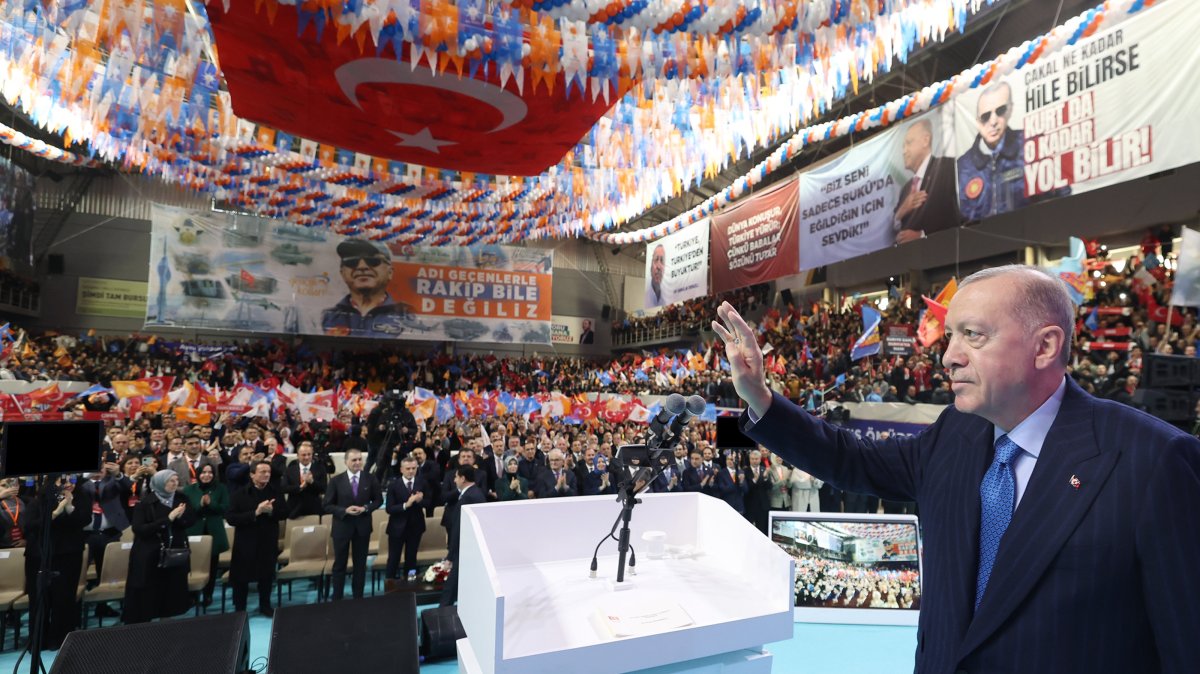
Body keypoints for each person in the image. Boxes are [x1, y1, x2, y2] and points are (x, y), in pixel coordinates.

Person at [712, 265, 1200, 673]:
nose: (949, 356)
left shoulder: (1152, 462)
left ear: (1045, 346)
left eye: (974, 335)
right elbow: (848, 457)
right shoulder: (954, 433)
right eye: (950, 336)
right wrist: (760, 396)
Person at [23, 476, 92, 650]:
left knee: (64, 599)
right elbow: (29, 526)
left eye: (72, 480)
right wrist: (55, 513)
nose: (68, 484)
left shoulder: (81, 498)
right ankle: (38, 640)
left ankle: (60, 639)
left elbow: (84, 520)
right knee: (39, 599)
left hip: (69, 555)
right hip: (39, 556)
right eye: (62, 480)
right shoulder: (37, 502)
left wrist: (68, 506)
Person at [123, 469, 196, 624]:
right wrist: (168, 519)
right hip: (149, 555)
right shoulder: (145, 503)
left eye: (176, 480)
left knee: (171, 592)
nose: (175, 483)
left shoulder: (182, 499)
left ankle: (166, 623)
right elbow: (140, 529)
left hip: (174, 553)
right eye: (171, 480)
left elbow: (191, 521)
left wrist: (181, 518)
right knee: (148, 594)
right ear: (160, 483)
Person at [956, 82, 1028, 221]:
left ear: (1010, 110)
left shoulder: (1029, 144)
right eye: (985, 116)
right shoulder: (962, 166)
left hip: (1031, 236)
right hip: (980, 240)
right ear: (977, 121)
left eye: (1000, 111)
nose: (993, 121)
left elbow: (1058, 195)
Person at [226, 461, 286, 616]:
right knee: (241, 578)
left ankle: (265, 605)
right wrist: (256, 513)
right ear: (252, 475)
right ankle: (240, 609)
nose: (266, 474)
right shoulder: (239, 494)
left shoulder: (275, 491)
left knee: (266, 576)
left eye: (268, 472)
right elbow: (231, 518)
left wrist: (272, 511)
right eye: (262, 472)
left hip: (268, 540)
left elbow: (285, 513)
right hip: (246, 542)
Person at [323, 449, 383, 600]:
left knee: (360, 564)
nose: (357, 463)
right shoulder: (336, 481)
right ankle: (337, 597)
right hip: (342, 527)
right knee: (339, 564)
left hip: (362, 527)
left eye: (359, 459)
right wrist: (344, 510)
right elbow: (327, 505)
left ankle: (358, 597)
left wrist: (366, 508)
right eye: (353, 460)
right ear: (345, 462)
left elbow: (378, 500)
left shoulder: (370, 479)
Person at [321, 239, 411, 338]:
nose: (362, 266)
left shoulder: (407, 316)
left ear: (390, 272)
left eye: (372, 260)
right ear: (342, 273)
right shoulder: (327, 317)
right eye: (352, 261)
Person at [893, 118, 961, 243]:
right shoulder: (906, 189)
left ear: (925, 140)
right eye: (903, 146)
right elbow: (892, 229)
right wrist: (901, 211)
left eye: (909, 143)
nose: (904, 151)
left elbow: (958, 214)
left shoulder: (948, 168)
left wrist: (922, 235)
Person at [438, 465, 486, 607]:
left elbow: (459, 529)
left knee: (451, 587)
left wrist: (450, 557)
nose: (454, 480)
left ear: (463, 478)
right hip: (470, 548)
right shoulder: (475, 493)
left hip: (465, 549)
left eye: (456, 477)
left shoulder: (468, 497)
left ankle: (441, 615)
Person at [183, 463, 229, 606]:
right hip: (194, 531)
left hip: (214, 531)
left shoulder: (221, 488)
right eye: (203, 472)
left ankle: (208, 595)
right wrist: (200, 505)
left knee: (212, 565)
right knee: (192, 565)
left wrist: (211, 504)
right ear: (198, 474)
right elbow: (187, 512)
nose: (207, 475)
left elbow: (225, 508)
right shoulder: (188, 490)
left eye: (210, 472)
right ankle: (192, 595)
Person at [385, 456, 426, 581]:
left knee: (411, 557)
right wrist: (406, 505)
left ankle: (410, 585)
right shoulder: (393, 485)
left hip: (416, 526)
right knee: (394, 558)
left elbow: (430, 502)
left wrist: (420, 501)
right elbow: (389, 508)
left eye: (413, 468)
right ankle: (390, 585)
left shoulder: (422, 482)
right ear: (401, 469)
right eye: (408, 468)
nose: (411, 471)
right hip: (397, 528)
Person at [280, 441, 327, 518]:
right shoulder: (290, 469)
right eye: (303, 455)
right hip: (294, 508)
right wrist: (300, 487)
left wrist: (312, 482)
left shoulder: (320, 468)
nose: (307, 457)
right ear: (298, 456)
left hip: (315, 508)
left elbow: (324, 489)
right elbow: (283, 487)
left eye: (309, 454)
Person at [644, 244, 667, 308]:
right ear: (651, 265)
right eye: (656, 260)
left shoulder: (666, 297)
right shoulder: (647, 295)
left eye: (662, 261)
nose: (658, 266)